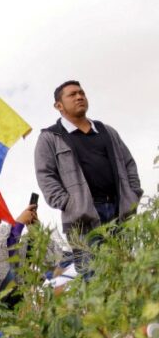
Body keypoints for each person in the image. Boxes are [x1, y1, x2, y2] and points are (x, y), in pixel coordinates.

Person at [34, 80, 141, 243]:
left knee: (124, 260)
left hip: (120, 214)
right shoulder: (50, 137)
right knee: (89, 261)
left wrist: (133, 194)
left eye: (81, 93)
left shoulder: (107, 131)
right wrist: (69, 204)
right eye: (72, 95)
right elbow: (45, 175)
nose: (79, 97)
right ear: (59, 106)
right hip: (82, 222)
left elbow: (129, 164)